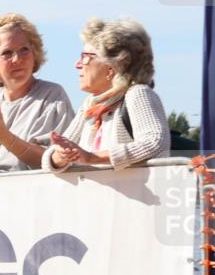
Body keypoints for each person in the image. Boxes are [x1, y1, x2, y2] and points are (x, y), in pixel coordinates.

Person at [43, 18, 170, 174]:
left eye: (85, 57)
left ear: (111, 67)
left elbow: (155, 142)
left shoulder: (137, 94)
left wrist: (92, 158)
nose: (77, 64)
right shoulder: (90, 104)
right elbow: (51, 156)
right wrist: (61, 156)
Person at [0, 13, 75, 174]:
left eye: (24, 50)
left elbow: (55, 161)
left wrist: (3, 136)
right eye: (7, 53)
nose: (17, 59)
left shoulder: (52, 97)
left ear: (35, 53)